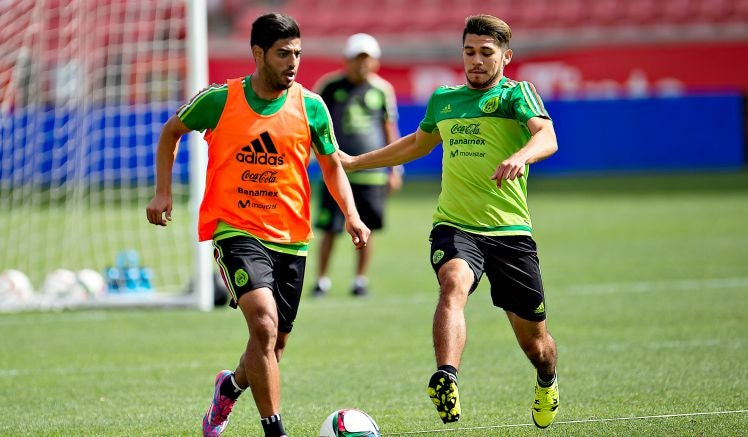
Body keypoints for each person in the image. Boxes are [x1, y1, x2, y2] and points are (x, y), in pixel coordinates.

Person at [145, 13, 370, 437]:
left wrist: (351, 214)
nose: (293, 62)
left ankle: (228, 388)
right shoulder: (219, 99)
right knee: (263, 325)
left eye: (298, 54)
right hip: (236, 230)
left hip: (291, 238)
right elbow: (171, 132)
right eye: (283, 53)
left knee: (272, 346)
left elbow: (332, 165)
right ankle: (275, 431)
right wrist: (163, 192)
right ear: (257, 53)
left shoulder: (312, 106)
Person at [338, 14, 559, 429]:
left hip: (510, 231)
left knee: (536, 345)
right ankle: (447, 377)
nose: (476, 61)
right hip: (455, 225)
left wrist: (521, 155)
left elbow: (546, 136)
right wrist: (356, 162)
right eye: (469, 52)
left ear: (506, 57)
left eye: (486, 53)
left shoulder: (517, 95)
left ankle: (547, 380)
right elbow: (418, 144)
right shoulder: (444, 98)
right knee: (452, 283)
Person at [310, 33, 402, 298]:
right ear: (346, 60)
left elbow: (388, 128)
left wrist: (395, 169)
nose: (361, 64)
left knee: (366, 230)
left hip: (372, 175)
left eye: (367, 59)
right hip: (335, 171)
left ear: (375, 61)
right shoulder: (328, 86)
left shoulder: (382, 90)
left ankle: (360, 280)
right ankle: (321, 280)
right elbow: (313, 127)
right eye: (357, 59)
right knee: (329, 229)